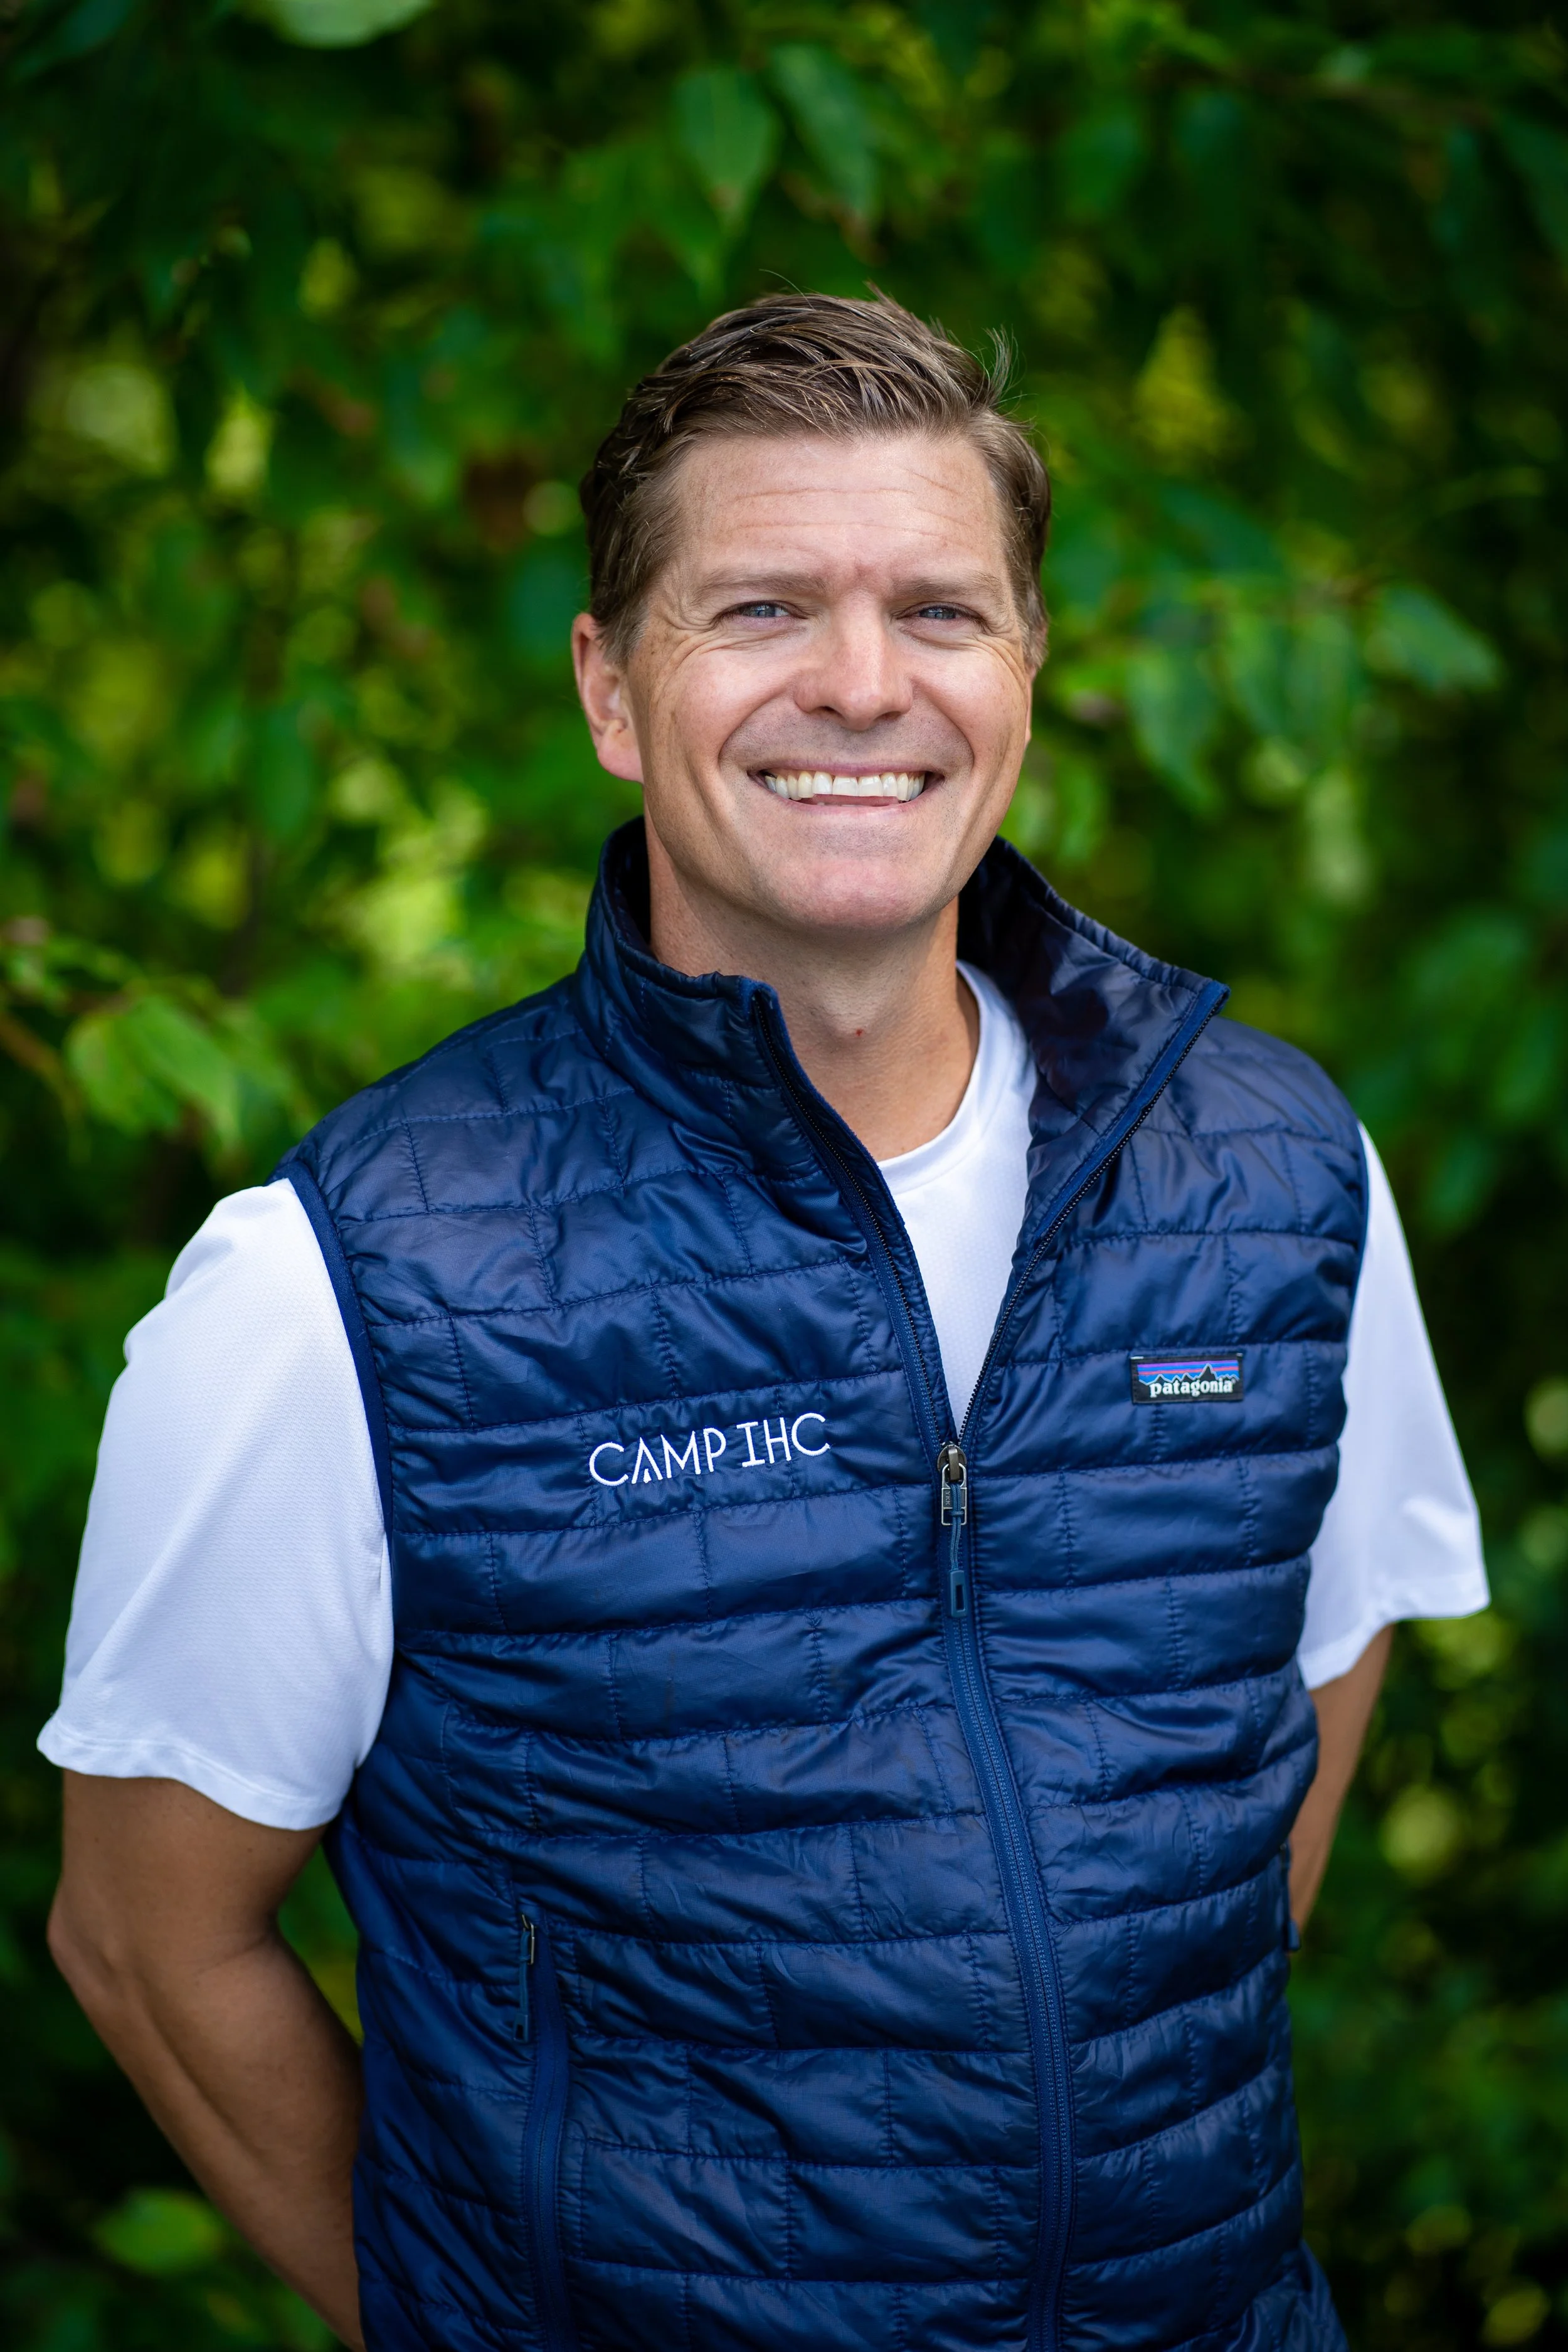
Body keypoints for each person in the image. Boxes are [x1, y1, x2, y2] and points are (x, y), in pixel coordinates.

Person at [42, 294, 1486, 2352]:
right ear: (611, 690)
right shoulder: (340, 1285)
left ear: (1026, 668)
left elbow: (1287, 1736)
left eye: (939, 611)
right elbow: (144, 1939)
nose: (862, 685)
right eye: (760, 610)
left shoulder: (1269, 1169)